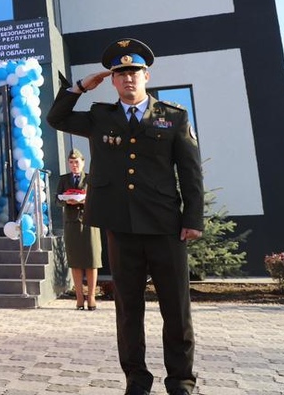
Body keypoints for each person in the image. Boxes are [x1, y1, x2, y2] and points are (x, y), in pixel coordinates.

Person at [46, 38, 204, 395]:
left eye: (134, 72)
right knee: (128, 310)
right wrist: (80, 86)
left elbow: (190, 171)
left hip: (165, 226)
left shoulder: (173, 116)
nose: (128, 78)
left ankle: (181, 381)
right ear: (113, 81)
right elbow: (56, 118)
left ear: (146, 76)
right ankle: (136, 380)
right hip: (120, 226)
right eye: (120, 74)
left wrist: (193, 218)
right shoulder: (101, 116)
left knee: (176, 310)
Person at [57, 148, 102, 310]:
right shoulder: (64, 179)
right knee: (75, 261)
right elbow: (57, 199)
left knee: (92, 260)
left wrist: (84, 201)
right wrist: (66, 201)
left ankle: (91, 297)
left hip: (89, 222)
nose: (74, 165)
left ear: (83, 162)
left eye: (76, 162)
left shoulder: (90, 178)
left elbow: (98, 199)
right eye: (71, 162)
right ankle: (79, 297)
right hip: (72, 224)